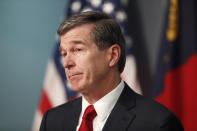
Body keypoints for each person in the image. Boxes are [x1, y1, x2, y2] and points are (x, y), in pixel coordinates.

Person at [40, 11, 184, 131]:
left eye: (78, 50)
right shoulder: (52, 121)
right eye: (64, 53)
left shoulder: (158, 123)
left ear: (113, 55)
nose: (66, 63)